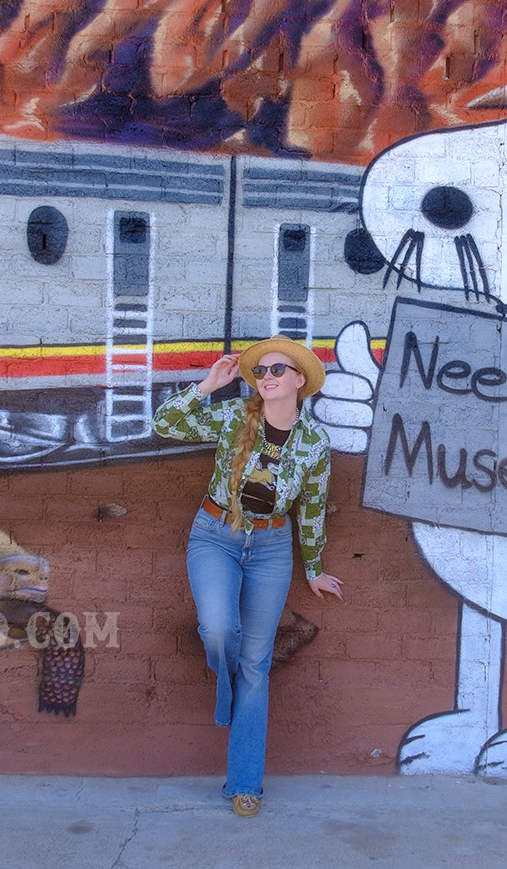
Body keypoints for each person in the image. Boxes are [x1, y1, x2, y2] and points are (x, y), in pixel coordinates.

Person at [152, 335, 343, 817]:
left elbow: (313, 509)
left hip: (272, 550)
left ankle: (245, 784)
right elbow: (164, 425)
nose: (268, 377)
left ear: (300, 381)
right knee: (219, 630)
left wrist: (315, 567)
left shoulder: (316, 443)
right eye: (262, 371)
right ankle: (227, 687)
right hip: (215, 536)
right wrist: (209, 384)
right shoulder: (237, 416)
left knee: (256, 664)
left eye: (279, 370)